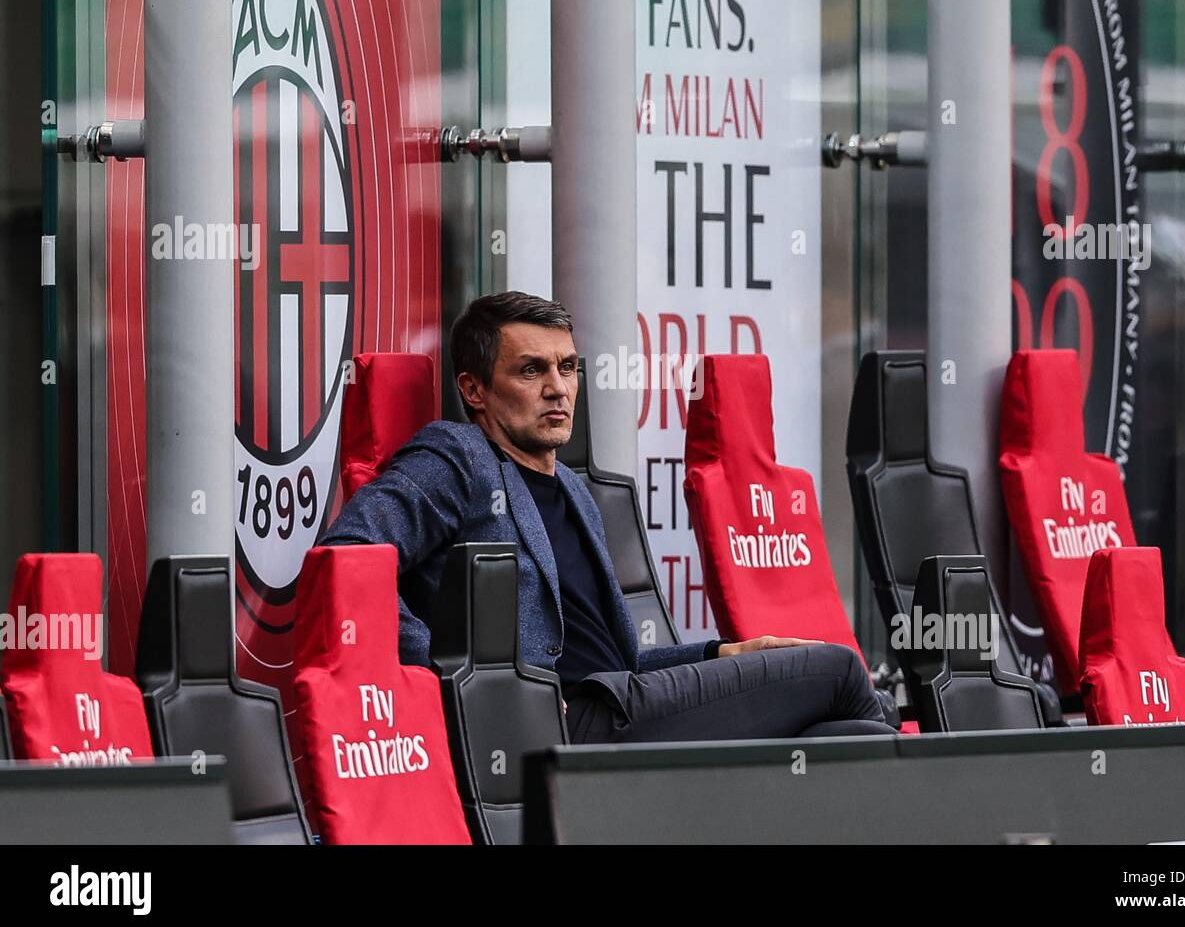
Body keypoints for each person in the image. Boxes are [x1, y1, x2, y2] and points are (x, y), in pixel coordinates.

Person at [322, 291, 894, 743]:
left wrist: (719, 652)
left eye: (568, 368)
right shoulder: (458, 458)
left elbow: (619, 659)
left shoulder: (572, 489)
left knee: (851, 734)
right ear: (473, 389)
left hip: (621, 704)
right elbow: (344, 559)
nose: (558, 388)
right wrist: (459, 677)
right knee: (841, 670)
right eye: (531, 371)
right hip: (566, 723)